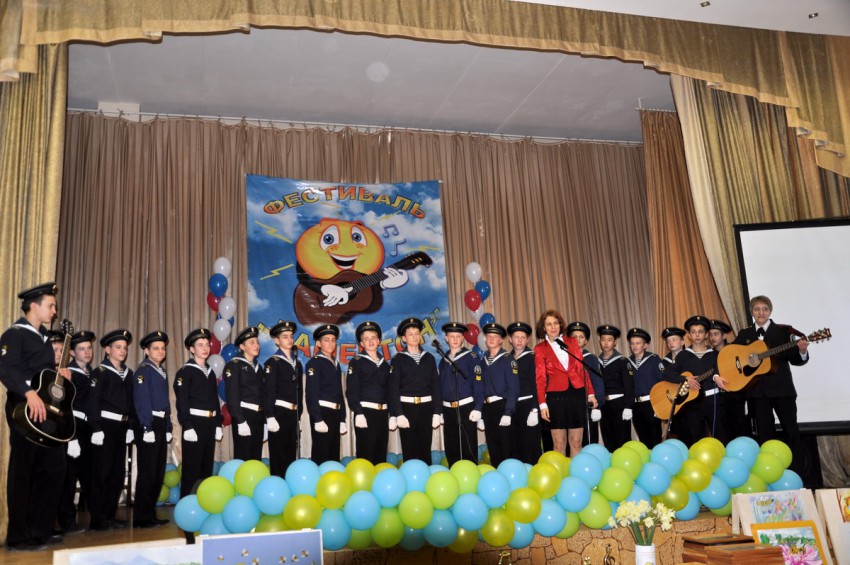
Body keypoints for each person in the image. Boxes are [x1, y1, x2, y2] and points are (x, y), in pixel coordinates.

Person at [0, 283, 69, 552]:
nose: (54, 311)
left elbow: (42, 374)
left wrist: (59, 375)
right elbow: (6, 368)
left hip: (46, 409)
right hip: (24, 407)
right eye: (50, 305)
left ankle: (40, 530)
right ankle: (18, 537)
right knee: (24, 471)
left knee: (53, 468)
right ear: (33, 306)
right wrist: (28, 392)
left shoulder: (44, 338)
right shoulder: (15, 334)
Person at [733, 296, 808, 476]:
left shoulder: (783, 332)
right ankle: (768, 474)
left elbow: (796, 360)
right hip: (757, 393)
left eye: (765, 309)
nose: (761, 312)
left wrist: (802, 350)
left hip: (782, 390)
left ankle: (798, 472)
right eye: (757, 309)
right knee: (765, 435)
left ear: (770, 311)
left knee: (791, 431)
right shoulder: (744, 334)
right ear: (752, 312)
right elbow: (733, 356)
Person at [87, 329, 135, 531]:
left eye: (124, 347)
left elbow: (131, 403)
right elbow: (93, 402)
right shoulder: (100, 372)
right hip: (105, 426)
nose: (122, 351)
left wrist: (131, 426)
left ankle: (109, 515)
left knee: (117, 473)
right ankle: (97, 519)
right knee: (102, 472)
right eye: (118, 347)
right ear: (107, 350)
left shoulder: (129, 374)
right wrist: (96, 427)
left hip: (121, 427)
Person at [533, 310, 597, 457]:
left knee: (576, 442)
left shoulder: (572, 342)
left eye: (555, 323)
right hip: (556, 397)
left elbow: (582, 369)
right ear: (544, 328)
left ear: (560, 325)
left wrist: (591, 394)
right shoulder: (540, 348)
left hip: (577, 393)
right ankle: (561, 472)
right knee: (559, 443)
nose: (553, 327)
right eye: (549, 324)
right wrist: (542, 404)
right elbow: (540, 378)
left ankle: (575, 471)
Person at [174, 328, 222, 499]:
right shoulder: (185, 372)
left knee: (206, 467)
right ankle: (188, 504)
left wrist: (218, 423)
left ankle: (203, 503)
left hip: (209, 423)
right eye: (200, 345)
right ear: (192, 349)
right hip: (194, 423)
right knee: (191, 468)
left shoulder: (210, 372)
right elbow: (182, 402)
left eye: (207, 344)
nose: (205, 348)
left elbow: (215, 400)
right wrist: (187, 425)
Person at [664, 316, 727, 446]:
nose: (697, 335)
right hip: (692, 404)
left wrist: (717, 376)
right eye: (693, 332)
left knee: (720, 438)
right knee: (696, 441)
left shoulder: (716, 354)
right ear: (689, 335)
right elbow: (667, 373)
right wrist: (685, 379)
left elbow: (723, 372)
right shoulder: (683, 355)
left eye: (700, 331)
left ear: (706, 334)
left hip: (713, 401)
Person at [58, 330, 96, 536]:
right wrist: (72, 437)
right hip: (73, 425)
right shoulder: (67, 373)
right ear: (72, 353)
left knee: (89, 472)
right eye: (82, 349)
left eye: (89, 348)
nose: (87, 352)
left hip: (89, 427)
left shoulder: (91, 373)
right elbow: (64, 405)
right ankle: (66, 521)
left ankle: (96, 517)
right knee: (69, 476)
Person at [132, 331, 172, 528]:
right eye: (155, 348)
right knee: (147, 472)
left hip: (160, 423)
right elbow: (142, 400)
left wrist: (168, 425)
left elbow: (165, 402)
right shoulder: (144, 370)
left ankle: (150, 513)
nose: (160, 351)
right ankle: (141, 517)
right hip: (148, 424)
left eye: (162, 348)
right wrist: (147, 426)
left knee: (157, 472)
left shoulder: (161, 371)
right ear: (146, 351)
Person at [388, 318, 441, 464]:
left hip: (426, 408)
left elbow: (436, 386)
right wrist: (398, 414)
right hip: (407, 409)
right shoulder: (398, 359)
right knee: (409, 450)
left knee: (425, 450)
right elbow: (393, 388)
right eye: (410, 334)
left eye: (417, 333)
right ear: (404, 338)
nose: (415, 337)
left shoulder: (429, 358)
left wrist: (437, 411)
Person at [436, 322, 482, 465]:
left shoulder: (471, 357)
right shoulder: (443, 361)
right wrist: (440, 411)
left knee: (468, 447)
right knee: (451, 446)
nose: (455, 339)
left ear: (463, 338)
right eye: (452, 336)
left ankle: (470, 473)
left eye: (458, 336)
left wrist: (478, 407)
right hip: (448, 409)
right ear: (446, 339)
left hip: (466, 407)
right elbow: (440, 387)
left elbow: (478, 383)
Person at [346, 321, 391, 465]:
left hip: (382, 414)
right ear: (361, 343)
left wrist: (392, 414)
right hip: (365, 414)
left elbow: (390, 391)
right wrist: (358, 412)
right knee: (366, 455)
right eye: (366, 339)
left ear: (378, 341)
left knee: (380, 454)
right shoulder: (356, 361)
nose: (370, 341)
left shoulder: (385, 365)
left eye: (373, 338)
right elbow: (351, 390)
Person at [263, 321, 303, 477]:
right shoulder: (273, 362)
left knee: (290, 453)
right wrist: (270, 416)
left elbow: (300, 392)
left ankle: (289, 483)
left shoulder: (297, 363)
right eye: (285, 337)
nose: (289, 339)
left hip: (293, 414)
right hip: (279, 413)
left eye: (291, 336)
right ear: (276, 340)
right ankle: (278, 483)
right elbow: (269, 391)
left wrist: (298, 416)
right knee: (278, 454)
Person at [477, 323, 517, 467]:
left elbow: (514, 388)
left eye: (495, 336)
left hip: (502, 406)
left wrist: (508, 412)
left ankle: (509, 475)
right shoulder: (482, 361)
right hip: (488, 408)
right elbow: (480, 389)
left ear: (501, 340)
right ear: (485, 339)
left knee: (507, 447)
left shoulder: (508, 359)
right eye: (489, 336)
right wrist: (481, 414)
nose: (492, 339)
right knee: (493, 446)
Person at [306, 324, 346, 464]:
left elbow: (340, 393)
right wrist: (317, 418)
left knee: (334, 454)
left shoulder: (336, 364)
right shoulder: (314, 363)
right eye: (326, 340)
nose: (330, 343)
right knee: (321, 453)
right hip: (322, 412)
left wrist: (342, 418)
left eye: (333, 340)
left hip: (335, 413)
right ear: (318, 343)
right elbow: (311, 394)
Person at [224, 326, 264, 461]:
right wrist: (240, 420)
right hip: (244, 415)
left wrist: (264, 421)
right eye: (252, 342)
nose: (256, 345)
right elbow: (232, 395)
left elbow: (262, 395)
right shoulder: (234, 365)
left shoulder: (259, 368)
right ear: (242, 346)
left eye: (257, 342)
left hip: (258, 417)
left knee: (256, 458)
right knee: (244, 457)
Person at [709, 319, 751, 439]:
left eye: (716, 334)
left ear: (724, 336)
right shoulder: (709, 355)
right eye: (710, 335)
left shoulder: (735, 350)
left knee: (741, 430)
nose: (713, 337)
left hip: (737, 397)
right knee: (724, 433)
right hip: (719, 400)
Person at [507, 322, 541, 464]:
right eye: (516, 337)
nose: (519, 340)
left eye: (523, 337)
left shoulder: (533, 357)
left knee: (530, 445)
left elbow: (537, 384)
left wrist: (535, 409)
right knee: (514, 445)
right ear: (510, 339)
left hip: (528, 406)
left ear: (527, 340)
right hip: (512, 407)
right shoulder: (506, 359)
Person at [566, 321, 603, 445]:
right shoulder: (564, 358)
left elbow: (597, 382)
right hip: (570, 404)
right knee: (572, 441)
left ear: (586, 341)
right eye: (574, 337)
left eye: (581, 337)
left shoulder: (591, 358)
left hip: (588, 405)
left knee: (589, 440)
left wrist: (598, 406)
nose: (578, 339)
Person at [597, 324, 633, 451]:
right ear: (600, 341)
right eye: (603, 339)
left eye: (610, 340)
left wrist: (628, 406)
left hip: (619, 404)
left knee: (623, 440)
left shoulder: (623, 361)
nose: (606, 343)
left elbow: (629, 385)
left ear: (615, 342)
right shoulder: (596, 361)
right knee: (608, 439)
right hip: (604, 405)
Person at [626, 328, 662, 448]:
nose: (634, 346)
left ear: (645, 345)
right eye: (632, 343)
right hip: (636, 405)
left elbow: (662, 383)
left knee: (655, 439)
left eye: (638, 343)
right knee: (643, 439)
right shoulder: (628, 362)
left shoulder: (654, 359)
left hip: (651, 404)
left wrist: (659, 405)